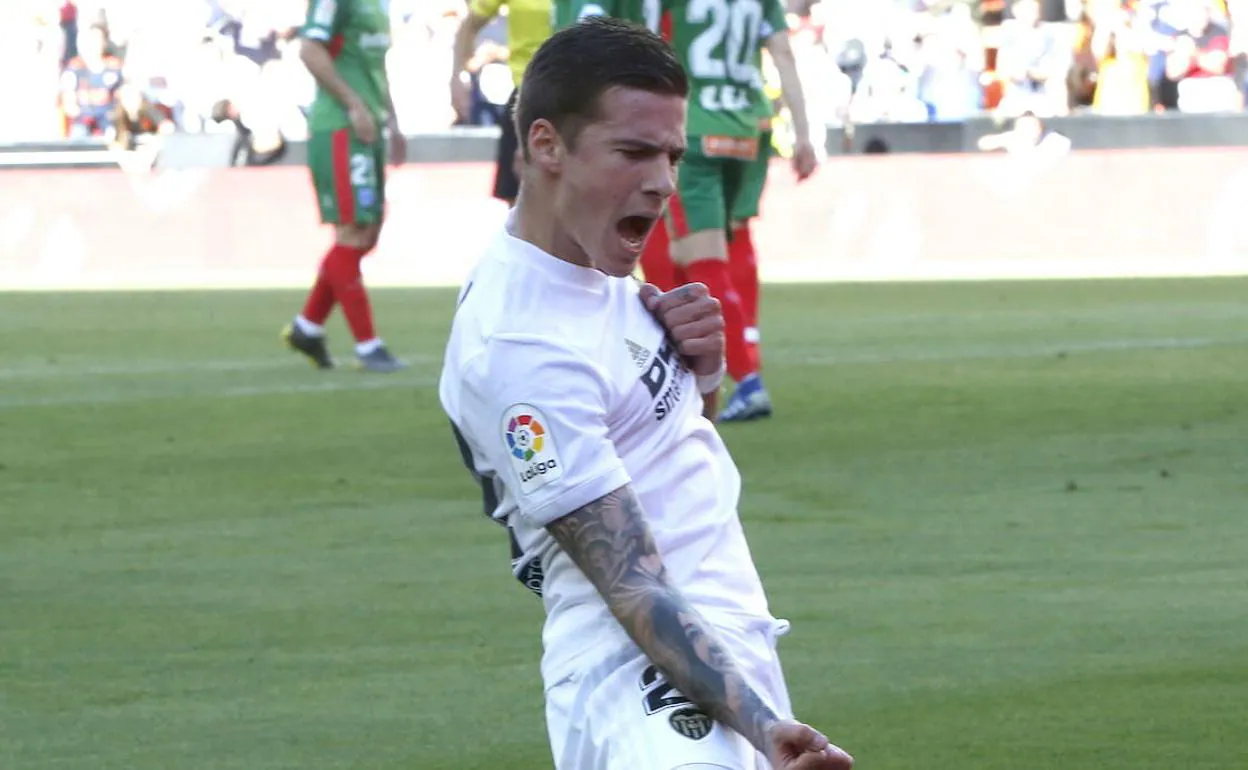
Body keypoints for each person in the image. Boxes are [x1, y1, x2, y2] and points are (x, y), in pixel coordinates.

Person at [438, 17, 853, 770]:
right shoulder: (522, 342)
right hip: (644, 677)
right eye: (633, 152)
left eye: (671, 154)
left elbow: (660, 445)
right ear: (545, 145)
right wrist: (761, 724)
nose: (662, 181)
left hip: (713, 649)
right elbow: (627, 582)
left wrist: (703, 375)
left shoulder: (595, 273)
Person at [556, 0, 818, 423]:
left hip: (691, 129)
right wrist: (803, 132)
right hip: (749, 129)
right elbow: (783, 52)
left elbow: (642, 38)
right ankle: (696, 364)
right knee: (723, 245)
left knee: (700, 255)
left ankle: (746, 376)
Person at [281, 0, 406, 373]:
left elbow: (373, 67)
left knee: (365, 235)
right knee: (354, 231)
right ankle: (368, 346)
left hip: (369, 125)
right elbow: (309, 48)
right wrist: (353, 104)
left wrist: (393, 120)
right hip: (340, 125)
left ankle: (307, 327)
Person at [452, 0, 553, 207]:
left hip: (579, 96)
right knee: (517, 196)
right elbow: (470, 23)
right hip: (526, 94)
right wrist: (457, 77)